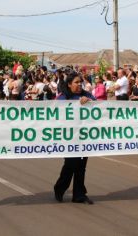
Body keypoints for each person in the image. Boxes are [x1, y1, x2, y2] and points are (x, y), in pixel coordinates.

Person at [54, 72, 95, 205]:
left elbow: (99, 107)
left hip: (84, 136)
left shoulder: (87, 95)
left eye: (80, 82)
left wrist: (89, 102)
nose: (79, 85)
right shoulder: (62, 97)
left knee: (81, 166)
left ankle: (79, 194)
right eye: (76, 82)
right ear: (69, 84)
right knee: (71, 164)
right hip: (69, 137)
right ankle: (60, 188)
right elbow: (55, 113)